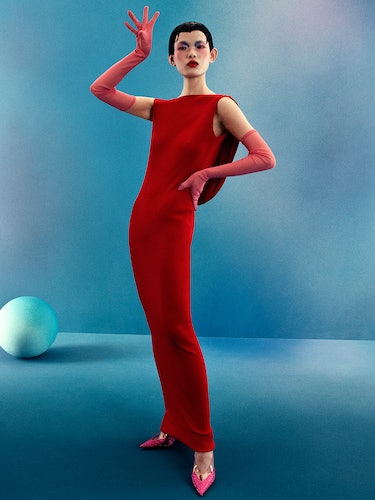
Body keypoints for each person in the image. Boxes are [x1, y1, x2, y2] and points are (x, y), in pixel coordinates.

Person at [90, 6, 275, 496]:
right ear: (171, 61)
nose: (191, 53)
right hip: (142, 220)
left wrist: (206, 173)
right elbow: (101, 90)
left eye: (198, 46)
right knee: (159, 329)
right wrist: (136, 54)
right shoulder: (161, 107)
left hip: (175, 221)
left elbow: (264, 157)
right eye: (182, 48)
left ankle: (204, 445)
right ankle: (174, 421)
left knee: (179, 329)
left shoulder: (221, 106)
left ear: (212, 55)